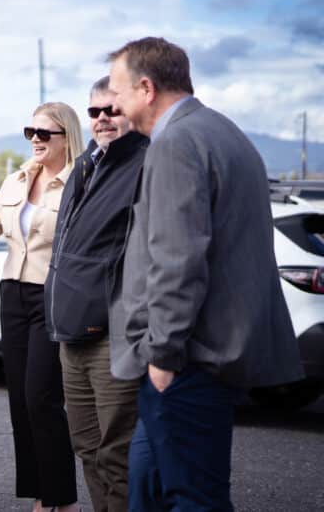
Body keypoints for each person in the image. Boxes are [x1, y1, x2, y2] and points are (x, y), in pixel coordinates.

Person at [106, 37, 304, 511]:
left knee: (195, 499)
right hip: (198, 357)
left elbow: (178, 259)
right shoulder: (222, 132)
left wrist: (163, 356)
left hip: (186, 361)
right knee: (147, 489)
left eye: (118, 90)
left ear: (146, 88)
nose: (114, 104)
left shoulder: (176, 143)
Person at [0, 102, 83, 512]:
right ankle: (41, 496)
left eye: (45, 133)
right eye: (31, 132)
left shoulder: (81, 182)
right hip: (12, 292)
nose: (36, 140)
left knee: (40, 396)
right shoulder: (16, 179)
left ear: (67, 137)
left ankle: (62, 499)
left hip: (52, 295)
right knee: (19, 401)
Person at [43, 77, 147, 512]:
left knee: (117, 453)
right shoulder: (86, 164)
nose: (103, 119)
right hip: (71, 331)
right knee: (86, 446)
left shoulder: (146, 164)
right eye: (95, 112)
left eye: (112, 109)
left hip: (114, 335)